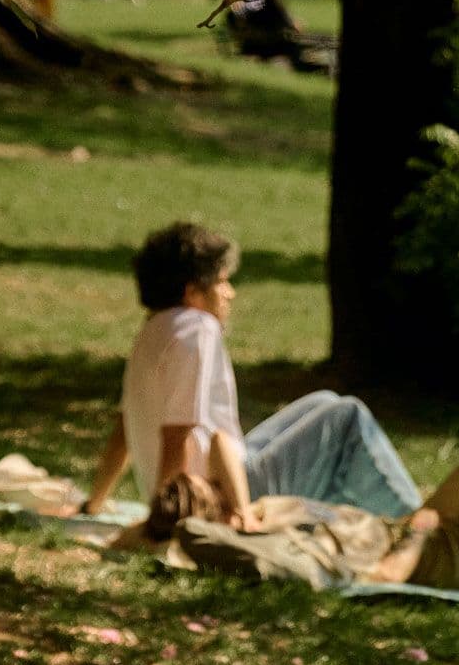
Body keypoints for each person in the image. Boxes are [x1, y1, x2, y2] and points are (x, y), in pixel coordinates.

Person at [78, 222, 421, 528]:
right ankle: (418, 523)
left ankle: (368, 523)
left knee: (325, 402)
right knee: (346, 416)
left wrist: (94, 503)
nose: (230, 293)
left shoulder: (152, 329)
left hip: (216, 477)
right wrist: (165, 521)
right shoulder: (197, 328)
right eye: (222, 282)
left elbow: (124, 430)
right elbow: (177, 436)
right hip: (217, 496)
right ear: (192, 292)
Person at [149, 414, 459, 607]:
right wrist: (419, 535)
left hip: (415, 533)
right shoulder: (279, 542)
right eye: (214, 491)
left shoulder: (264, 514)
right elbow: (382, 576)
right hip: (433, 556)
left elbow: (219, 443)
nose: (220, 484)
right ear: (217, 518)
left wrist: (242, 509)